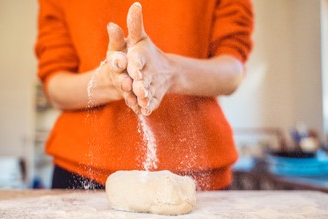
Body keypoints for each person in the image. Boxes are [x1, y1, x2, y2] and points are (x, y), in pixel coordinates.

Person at [35, 0, 254, 190]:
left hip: (199, 171)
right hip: (83, 171)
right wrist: (110, 81)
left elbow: (232, 71)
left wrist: (170, 71)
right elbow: (55, 88)